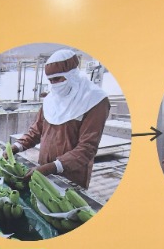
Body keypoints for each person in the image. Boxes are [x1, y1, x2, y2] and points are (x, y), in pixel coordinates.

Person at [13, 49, 111, 189]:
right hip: (43, 169)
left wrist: (52, 167)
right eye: (51, 80)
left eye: (58, 79)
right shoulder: (51, 99)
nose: (54, 84)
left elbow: (87, 148)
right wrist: (16, 147)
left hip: (72, 175)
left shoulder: (94, 100)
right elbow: (36, 131)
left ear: (72, 75)